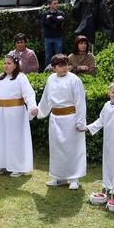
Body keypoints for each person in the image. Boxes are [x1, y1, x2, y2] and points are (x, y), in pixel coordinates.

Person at [37, 55, 87, 190]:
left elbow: (80, 102)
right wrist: (39, 112)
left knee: (72, 149)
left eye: (65, 64)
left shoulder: (74, 80)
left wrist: (80, 122)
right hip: (55, 119)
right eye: (60, 65)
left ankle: (74, 178)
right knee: (57, 149)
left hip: (71, 118)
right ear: (53, 68)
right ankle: (58, 177)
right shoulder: (50, 79)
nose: (64, 67)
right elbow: (46, 99)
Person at [88, 83, 114, 197]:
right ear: (109, 92)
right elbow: (101, 120)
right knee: (108, 161)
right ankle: (107, 183)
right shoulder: (106, 105)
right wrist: (88, 128)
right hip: (108, 140)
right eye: (113, 92)